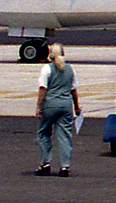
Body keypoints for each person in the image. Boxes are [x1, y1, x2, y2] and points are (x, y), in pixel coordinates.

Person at [35, 42, 81, 176]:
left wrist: (38, 106)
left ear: (50, 55)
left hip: (50, 105)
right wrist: (77, 107)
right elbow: (74, 91)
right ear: (63, 54)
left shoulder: (47, 69)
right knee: (65, 136)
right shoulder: (70, 69)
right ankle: (64, 167)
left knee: (44, 133)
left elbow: (43, 89)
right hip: (66, 105)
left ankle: (45, 164)